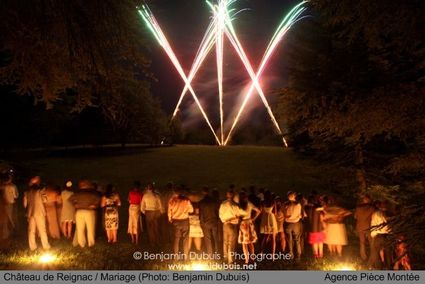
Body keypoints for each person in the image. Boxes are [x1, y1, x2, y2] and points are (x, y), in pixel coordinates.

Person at [70, 180, 101, 248]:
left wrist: (75, 204)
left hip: (80, 211)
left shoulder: (78, 193)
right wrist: (95, 205)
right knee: (90, 228)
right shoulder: (92, 193)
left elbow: (71, 199)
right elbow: (98, 199)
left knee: (80, 229)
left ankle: (82, 244)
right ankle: (90, 243)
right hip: (88, 211)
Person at [23, 176, 51, 251]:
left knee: (31, 231)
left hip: (30, 213)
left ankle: (32, 247)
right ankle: (46, 246)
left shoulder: (26, 192)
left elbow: (25, 204)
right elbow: (45, 200)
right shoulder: (41, 191)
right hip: (39, 213)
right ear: (38, 183)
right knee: (42, 230)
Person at [168, 187, 193, 259]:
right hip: (185, 220)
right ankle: (186, 257)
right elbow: (191, 210)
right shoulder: (186, 200)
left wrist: (170, 219)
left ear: (175, 193)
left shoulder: (172, 200)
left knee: (176, 239)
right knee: (185, 239)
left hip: (176, 221)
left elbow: (169, 211)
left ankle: (176, 257)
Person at [238, 191, 261, 264]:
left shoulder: (238, 205)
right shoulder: (249, 204)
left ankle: (246, 260)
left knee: (244, 243)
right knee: (250, 243)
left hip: (243, 223)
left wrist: (239, 218)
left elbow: (237, 215)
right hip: (249, 223)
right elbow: (258, 211)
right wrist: (253, 218)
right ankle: (252, 258)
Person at [219, 189, 240, 264]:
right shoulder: (235, 205)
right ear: (233, 195)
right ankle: (231, 260)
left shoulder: (223, 204)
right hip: (233, 225)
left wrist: (224, 221)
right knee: (232, 243)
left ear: (227, 195)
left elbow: (220, 214)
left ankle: (225, 258)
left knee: (225, 242)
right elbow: (238, 216)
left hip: (225, 224)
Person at [369, 200, 391, 269]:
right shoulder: (382, 214)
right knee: (387, 254)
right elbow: (386, 225)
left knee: (376, 254)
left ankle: (378, 268)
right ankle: (388, 268)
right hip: (383, 235)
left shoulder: (375, 214)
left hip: (377, 235)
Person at [199, 187, 220, 257]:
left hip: (206, 223)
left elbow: (201, 214)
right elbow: (217, 211)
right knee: (215, 238)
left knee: (208, 239)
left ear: (202, 192)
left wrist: (201, 223)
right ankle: (217, 253)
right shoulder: (214, 201)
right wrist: (217, 220)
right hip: (214, 221)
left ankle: (210, 255)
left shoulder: (201, 202)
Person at [140, 183, 163, 248]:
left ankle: (152, 243)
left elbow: (142, 207)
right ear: (153, 188)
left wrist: (145, 212)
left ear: (147, 188)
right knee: (156, 228)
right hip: (156, 212)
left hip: (148, 212)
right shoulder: (156, 196)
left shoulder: (145, 196)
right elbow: (160, 205)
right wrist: (160, 212)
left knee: (150, 229)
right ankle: (158, 242)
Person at [283, 191, 304, 260]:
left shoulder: (285, 204)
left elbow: (283, 212)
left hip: (288, 224)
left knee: (289, 240)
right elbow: (300, 214)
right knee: (297, 240)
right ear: (294, 196)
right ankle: (298, 255)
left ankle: (291, 255)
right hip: (296, 223)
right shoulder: (298, 204)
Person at [354, 195, 376, 261]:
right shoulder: (372, 208)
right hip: (369, 226)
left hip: (360, 226)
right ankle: (372, 256)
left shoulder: (358, 208)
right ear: (369, 200)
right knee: (371, 242)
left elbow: (355, 217)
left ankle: (363, 257)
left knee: (362, 242)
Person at [260, 191, 278, 256]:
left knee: (265, 236)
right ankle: (273, 254)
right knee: (273, 238)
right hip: (271, 218)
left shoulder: (262, 202)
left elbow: (261, 211)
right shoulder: (273, 202)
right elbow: (275, 212)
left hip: (265, 218)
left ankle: (261, 252)